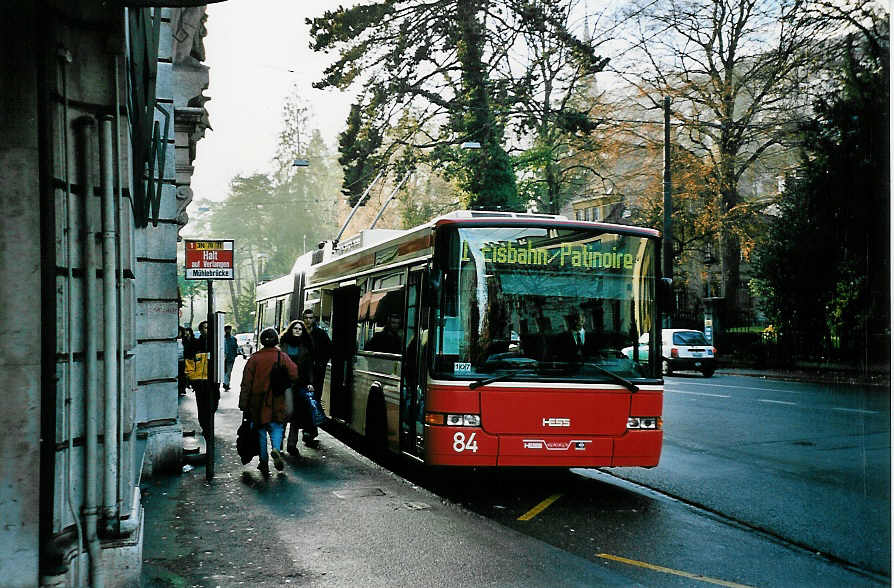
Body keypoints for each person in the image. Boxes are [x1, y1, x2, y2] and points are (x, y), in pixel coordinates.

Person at [239, 327, 298, 476]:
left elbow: (246, 383)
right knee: (277, 428)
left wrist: (243, 403)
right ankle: (276, 449)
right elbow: (294, 373)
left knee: (260, 432)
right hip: (278, 400)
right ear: (276, 340)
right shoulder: (282, 356)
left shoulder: (254, 358)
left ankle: (263, 462)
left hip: (257, 403)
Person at [279, 319, 315, 454]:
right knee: (284, 414)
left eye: (300, 329)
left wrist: (310, 382)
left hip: (300, 384)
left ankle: (292, 444)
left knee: (295, 416)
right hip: (285, 384)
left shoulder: (306, 346)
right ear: (291, 329)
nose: (298, 331)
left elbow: (309, 367)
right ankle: (279, 443)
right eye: (295, 328)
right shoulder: (283, 345)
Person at [184, 320, 219, 441]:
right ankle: (205, 427)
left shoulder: (215, 345)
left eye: (208, 328)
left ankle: (208, 424)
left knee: (213, 403)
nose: (206, 330)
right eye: (204, 328)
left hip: (212, 380)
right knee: (203, 406)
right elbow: (189, 361)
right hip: (199, 381)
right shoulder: (195, 344)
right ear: (200, 330)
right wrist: (191, 377)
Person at [301, 308, 331, 445]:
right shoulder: (299, 333)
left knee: (314, 401)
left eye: (311, 318)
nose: (308, 320)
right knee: (305, 402)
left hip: (317, 374)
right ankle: (308, 431)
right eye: (306, 318)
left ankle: (310, 431)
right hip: (302, 374)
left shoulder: (320, 334)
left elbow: (329, 350)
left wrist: (320, 363)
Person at [223, 324, 238, 391]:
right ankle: (225, 383)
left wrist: (234, 355)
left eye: (229, 329)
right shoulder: (222, 339)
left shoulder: (234, 339)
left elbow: (235, 348)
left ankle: (226, 384)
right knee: (225, 372)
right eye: (227, 329)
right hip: (223, 358)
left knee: (228, 372)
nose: (228, 331)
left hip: (231, 358)